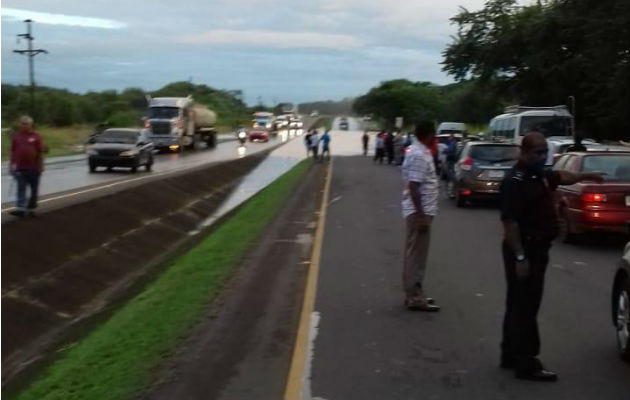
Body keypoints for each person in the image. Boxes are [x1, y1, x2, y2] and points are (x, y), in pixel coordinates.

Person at [499, 131, 604, 381]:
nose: (543, 156)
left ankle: (510, 354)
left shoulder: (539, 174)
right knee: (527, 306)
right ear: (524, 152)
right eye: (538, 152)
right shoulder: (515, 180)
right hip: (525, 249)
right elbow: (510, 222)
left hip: (537, 248)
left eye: (545, 151)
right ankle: (528, 363)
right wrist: (521, 258)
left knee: (517, 303)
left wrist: (586, 175)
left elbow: (562, 176)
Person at [400, 121, 440, 312]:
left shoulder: (420, 152)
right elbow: (414, 186)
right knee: (416, 255)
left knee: (416, 254)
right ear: (429, 134)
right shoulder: (418, 154)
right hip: (419, 213)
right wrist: (421, 215)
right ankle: (414, 296)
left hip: (420, 211)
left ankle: (415, 294)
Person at [9, 116, 45, 217]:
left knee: (34, 190)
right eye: (22, 123)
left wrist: (41, 166)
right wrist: (11, 165)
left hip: (34, 168)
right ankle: (20, 208)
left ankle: (31, 208)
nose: (23, 125)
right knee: (21, 188)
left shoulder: (36, 136)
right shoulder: (16, 137)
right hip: (20, 168)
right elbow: (12, 151)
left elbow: (40, 152)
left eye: (26, 124)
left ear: (31, 125)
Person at [444, 134, 458, 198]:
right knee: (451, 176)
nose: (448, 138)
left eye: (449, 137)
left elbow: (450, 150)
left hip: (451, 161)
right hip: (453, 161)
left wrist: (445, 151)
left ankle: (451, 193)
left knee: (451, 176)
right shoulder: (454, 143)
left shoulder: (452, 143)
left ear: (452, 137)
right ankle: (451, 192)